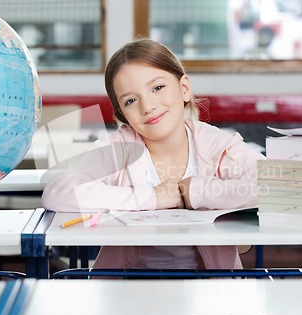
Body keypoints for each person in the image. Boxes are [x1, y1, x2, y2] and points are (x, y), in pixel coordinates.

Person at [42, 38, 265, 270]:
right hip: (126, 290)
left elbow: (276, 184)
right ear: (122, 114)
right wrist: (152, 198)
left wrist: (197, 191)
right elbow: (58, 192)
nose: (147, 106)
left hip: (212, 291)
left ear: (184, 89)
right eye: (131, 100)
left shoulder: (217, 145)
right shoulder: (118, 149)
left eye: (158, 88)